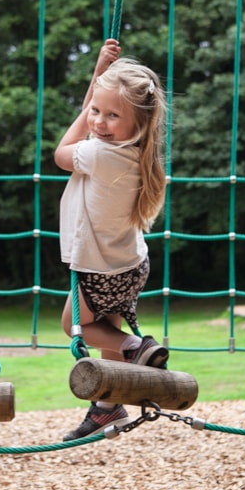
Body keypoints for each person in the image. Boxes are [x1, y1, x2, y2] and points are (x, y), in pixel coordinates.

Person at [56, 38, 169, 440]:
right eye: (97, 112)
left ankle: (137, 347)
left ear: (137, 124)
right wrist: (99, 76)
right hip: (129, 264)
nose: (99, 122)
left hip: (102, 270)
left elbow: (60, 152)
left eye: (112, 116)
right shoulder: (135, 153)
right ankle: (107, 408)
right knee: (105, 326)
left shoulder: (100, 156)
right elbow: (93, 118)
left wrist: (94, 85)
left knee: (73, 324)